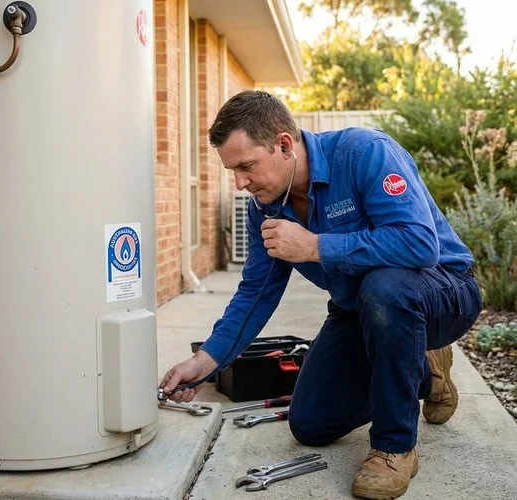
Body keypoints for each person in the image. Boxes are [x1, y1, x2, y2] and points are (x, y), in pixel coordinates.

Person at [159, 90, 482, 499]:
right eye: (232, 171)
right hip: (358, 309)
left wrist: (315, 246)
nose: (240, 183)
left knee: (386, 286)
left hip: (442, 290)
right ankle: (422, 368)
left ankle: (394, 447)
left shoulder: (364, 152)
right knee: (310, 424)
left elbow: (419, 244)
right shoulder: (265, 207)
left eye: (246, 167)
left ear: (284, 145)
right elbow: (255, 293)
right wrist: (205, 360)